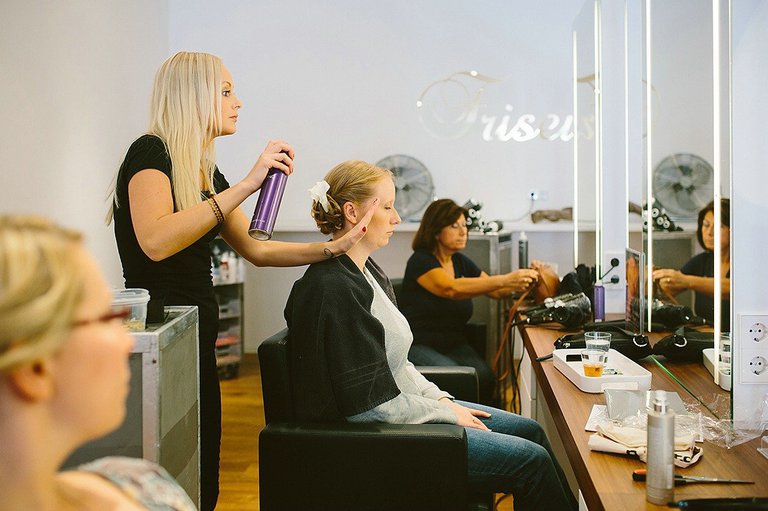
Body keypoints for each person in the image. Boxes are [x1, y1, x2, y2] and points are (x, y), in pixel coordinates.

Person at [106, 51, 373, 510]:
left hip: (195, 333)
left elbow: (257, 248)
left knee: (201, 459)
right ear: (194, 96)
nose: (238, 102)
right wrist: (249, 183)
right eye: (226, 91)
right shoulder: (150, 153)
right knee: (168, 461)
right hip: (160, 336)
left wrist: (333, 247)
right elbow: (155, 240)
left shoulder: (207, 173)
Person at [284, 161, 577, 511]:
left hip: (402, 413)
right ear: (351, 211)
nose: (396, 218)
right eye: (388, 206)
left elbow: (399, 365)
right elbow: (370, 408)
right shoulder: (333, 288)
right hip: (379, 441)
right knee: (532, 461)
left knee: (532, 431)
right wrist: (449, 416)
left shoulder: (367, 273)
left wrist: (440, 400)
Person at [0, 214, 196, 511]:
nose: (127, 341)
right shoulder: (143, 494)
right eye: (108, 317)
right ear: (35, 368)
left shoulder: (145, 486)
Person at [398, 198, 540, 404]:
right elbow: (450, 288)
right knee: (460, 381)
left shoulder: (459, 261)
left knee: (484, 377)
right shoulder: (421, 261)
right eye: (454, 226)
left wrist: (526, 280)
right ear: (436, 231)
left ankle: (485, 425)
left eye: (464, 225)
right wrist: (508, 278)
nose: (463, 232)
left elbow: (495, 290)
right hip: (420, 344)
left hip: (453, 343)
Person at [652, 198, 730, 330]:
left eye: (718, 227)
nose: (709, 233)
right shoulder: (702, 261)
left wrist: (686, 281)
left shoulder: (745, 264)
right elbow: (671, 286)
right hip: (706, 339)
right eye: (706, 225)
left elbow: (730, 289)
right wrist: (656, 278)